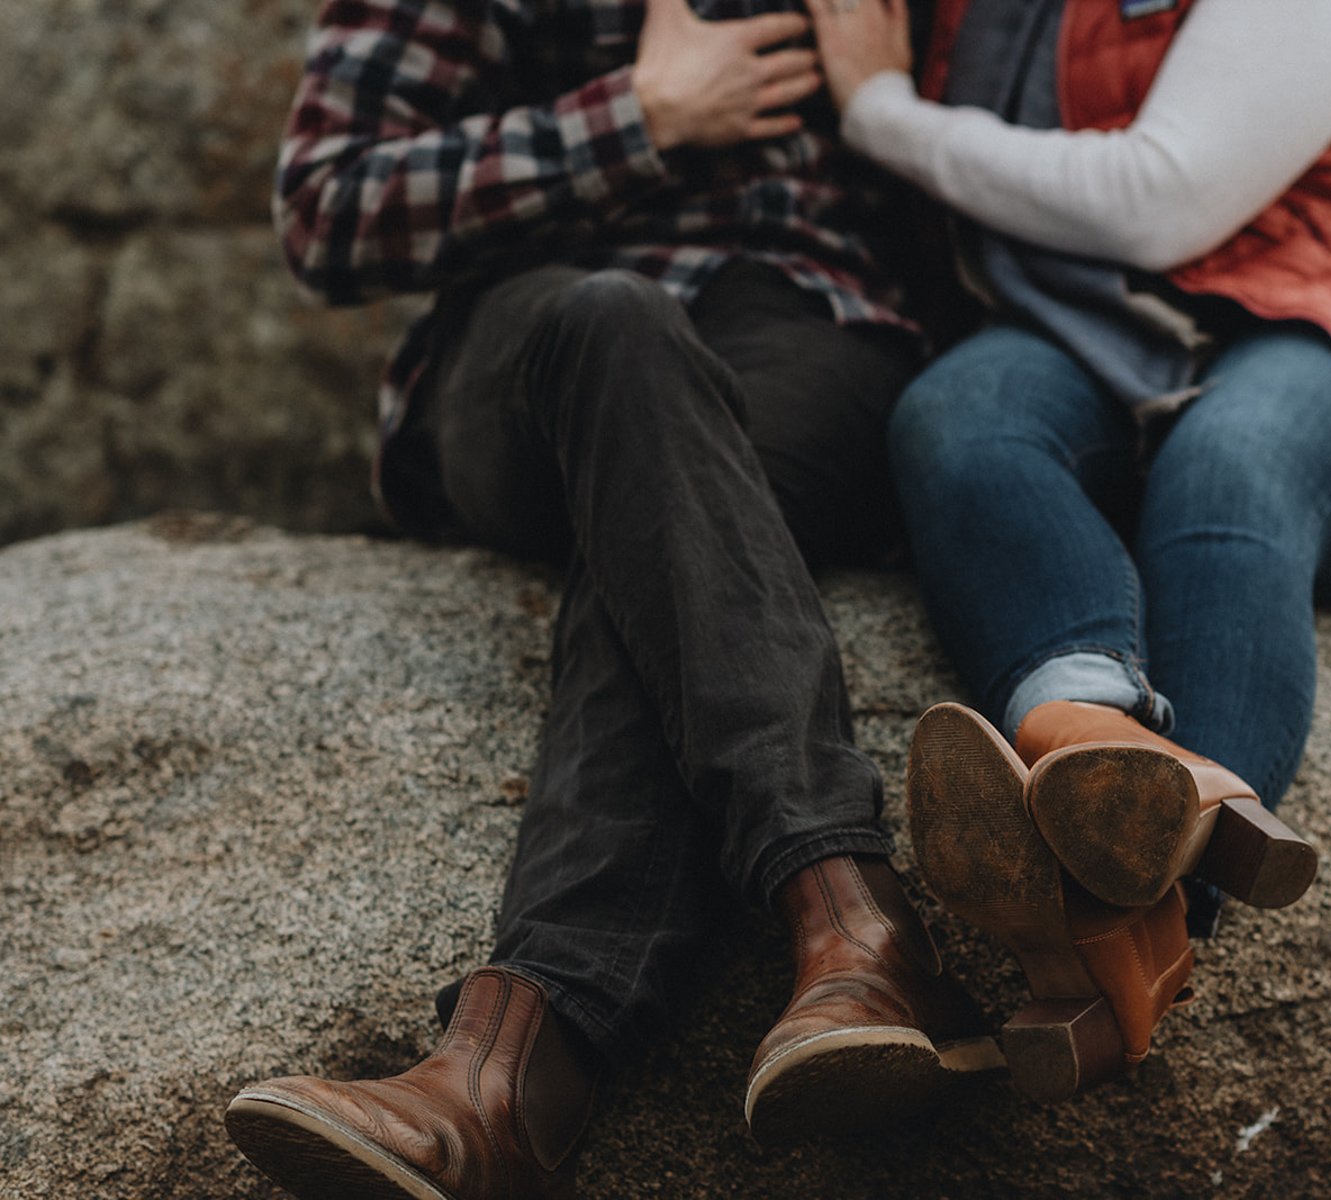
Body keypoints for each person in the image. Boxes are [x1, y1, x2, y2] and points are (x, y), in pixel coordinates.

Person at [222, 0, 1008, 1194]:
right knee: (618, 323)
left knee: (670, 522)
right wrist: (636, 118)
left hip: (812, 331)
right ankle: (853, 915)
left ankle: (510, 1070)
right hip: (541, 342)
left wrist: (889, 108)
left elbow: (1037, 178)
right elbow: (328, 210)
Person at [804, 0, 1331, 1100]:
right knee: (952, 419)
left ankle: (1140, 910)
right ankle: (1089, 735)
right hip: (1077, 343)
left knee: (1227, 469)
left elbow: (1162, 199)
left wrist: (882, 112)